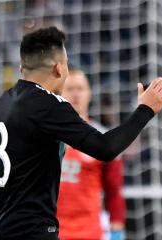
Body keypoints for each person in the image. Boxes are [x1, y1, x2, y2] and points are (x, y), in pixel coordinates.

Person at [0, 26, 162, 240]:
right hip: (33, 231)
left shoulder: (2, 103)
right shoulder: (49, 104)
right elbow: (106, 148)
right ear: (58, 68)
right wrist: (145, 110)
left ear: (21, 67)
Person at [57, 69, 126, 240]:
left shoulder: (104, 139)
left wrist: (117, 230)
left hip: (90, 233)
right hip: (51, 232)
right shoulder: (44, 139)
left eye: (80, 89)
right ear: (59, 94)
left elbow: (114, 190)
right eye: (70, 89)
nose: (76, 94)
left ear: (89, 94)